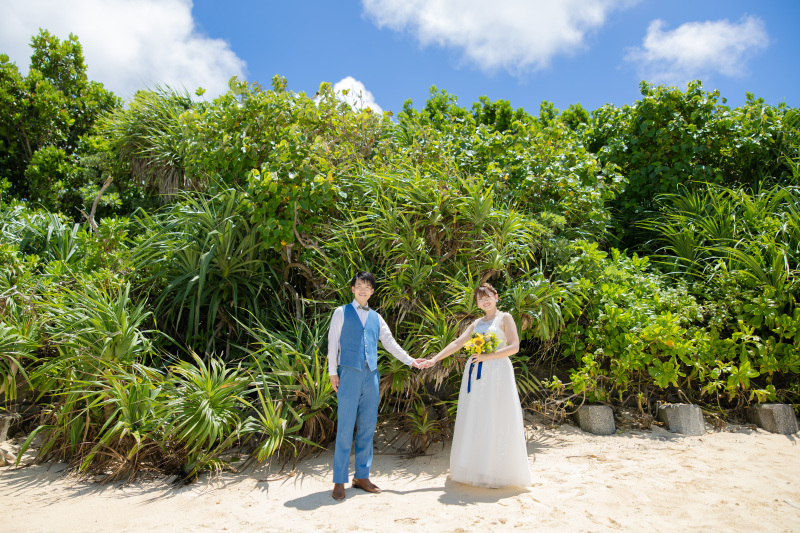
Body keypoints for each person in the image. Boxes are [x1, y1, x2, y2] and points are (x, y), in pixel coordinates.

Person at [328, 271, 427, 500]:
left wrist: (411, 361)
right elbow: (333, 342)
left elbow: (390, 343)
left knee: (367, 427)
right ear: (352, 288)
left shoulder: (377, 317)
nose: (363, 289)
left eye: (367, 286)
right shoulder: (341, 312)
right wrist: (333, 372)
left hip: (371, 376)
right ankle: (339, 480)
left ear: (372, 291)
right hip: (348, 374)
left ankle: (362, 476)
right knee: (344, 429)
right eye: (359, 285)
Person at [422, 282, 532, 488]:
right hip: (476, 373)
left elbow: (514, 346)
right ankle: (478, 468)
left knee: (497, 415)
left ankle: (498, 471)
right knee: (478, 416)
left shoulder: (505, 318)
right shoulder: (475, 323)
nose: (484, 300)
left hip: (497, 372)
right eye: (480, 298)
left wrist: (488, 356)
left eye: (487, 296)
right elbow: (457, 343)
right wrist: (434, 359)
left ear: (496, 296)